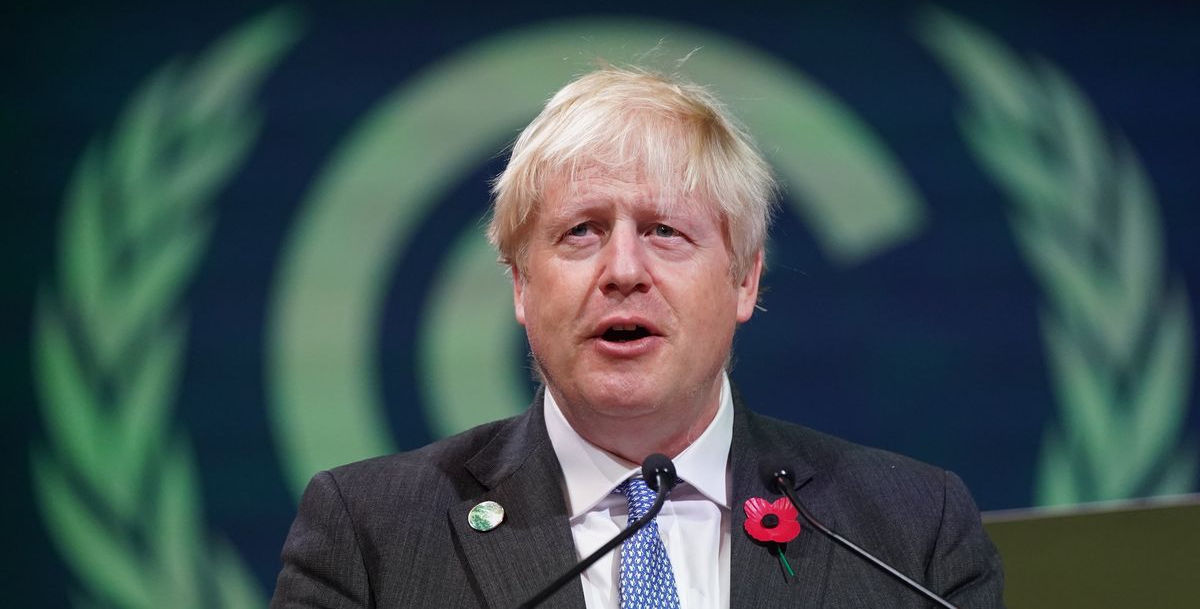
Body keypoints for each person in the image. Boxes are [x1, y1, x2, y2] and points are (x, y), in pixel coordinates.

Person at [271, 66, 1004, 608]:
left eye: (665, 231)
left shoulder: (908, 534)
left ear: (745, 280)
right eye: (581, 231)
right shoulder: (372, 534)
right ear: (521, 285)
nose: (624, 269)